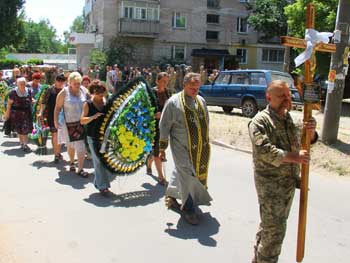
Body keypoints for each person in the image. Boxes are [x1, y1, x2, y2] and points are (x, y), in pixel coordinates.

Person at [248, 80, 318, 263]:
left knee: (270, 227)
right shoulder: (260, 122)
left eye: (288, 95)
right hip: (271, 187)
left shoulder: (290, 119)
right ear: (268, 97)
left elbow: (305, 141)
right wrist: (295, 157)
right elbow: (265, 151)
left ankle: (258, 257)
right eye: (281, 96)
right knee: (275, 231)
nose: (287, 99)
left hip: (288, 183)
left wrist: (311, 132)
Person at [159, 72, 212, 225]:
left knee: (186, 172)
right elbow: (164, 125)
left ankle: (172, 195)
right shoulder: (173, 102)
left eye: (197, 88)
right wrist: (162, 147)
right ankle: (188, 209)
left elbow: (206, 122)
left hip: (200, 148)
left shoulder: (201, 101)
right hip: (180, 147)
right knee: (187, 175)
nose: (195, 91)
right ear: (184, 86)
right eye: (191, 88)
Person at [80, 80, 114, 196]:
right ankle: (103, 187)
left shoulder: (106, 103)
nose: (101, 94)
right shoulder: (87, 104)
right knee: (99, 161)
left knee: (106, 162)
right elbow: (82, 120)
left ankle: (98, 182)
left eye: (103, 92)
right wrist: (93, 117)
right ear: (93, 92)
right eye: (98, 92)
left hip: (105, 137)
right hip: (92, 136)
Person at [54, 72, 89, 177]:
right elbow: (57, 108)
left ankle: (81, 168)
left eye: (79, 83)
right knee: (70, 145)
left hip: (81, 123)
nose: (78, 85)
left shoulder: (84, 90)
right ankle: (72, 162)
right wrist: (55, 121)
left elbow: (91, 100)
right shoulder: (64, 92)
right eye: (75, 83)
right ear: (69, 83)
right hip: (68, 124)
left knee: (81, 146)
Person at [146, 72, 170, 186]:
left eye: (167, 81)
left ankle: (149, 163)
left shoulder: (167, 92)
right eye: (163, 81)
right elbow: (143, 110)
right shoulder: (151, 93)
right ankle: (161, 176)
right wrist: (153, 115)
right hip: (153, 126)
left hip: (165, 125)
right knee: (158, 151)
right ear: (157, 81)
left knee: (160, 149)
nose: (165, 83)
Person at [38, 73, 66, 163]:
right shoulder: (50, 90)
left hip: (64, 115)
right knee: (55, 134)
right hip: (52, 115)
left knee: (61, 135)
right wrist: (40, 112)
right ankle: (56, 155)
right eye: (59, 81)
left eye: (62, 81)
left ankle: (57, 151)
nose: (60, 83)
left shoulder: (65, 90)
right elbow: (44, 102)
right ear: (55, 80)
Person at [3, 77, 33, 152]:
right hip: (16, 113)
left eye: (24, 83)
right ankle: (22, 143)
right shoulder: (13, 92)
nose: (23, 85)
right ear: (17, 84)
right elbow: (9, 104)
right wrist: (7, 113)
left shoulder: (28, 91)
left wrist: (34, 101)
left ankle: (25, 144)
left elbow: (30, 99)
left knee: (25, 129)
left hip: (26, 113)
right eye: (21, 84)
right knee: (19, 130)